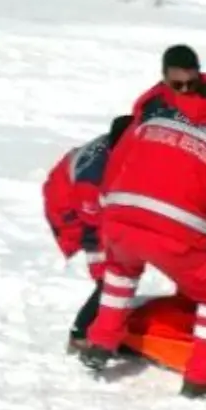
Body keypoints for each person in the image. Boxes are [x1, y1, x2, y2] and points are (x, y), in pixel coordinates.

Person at [78, 76, 206, 401]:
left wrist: (111, 206)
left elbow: (117, 160)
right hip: (177, 228)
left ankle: (100, 342)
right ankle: (200, 379)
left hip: (120, 213)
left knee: (121, 271)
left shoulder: (154, 117)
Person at [42, 115, 133, 353]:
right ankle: (81, 334)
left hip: (81, 199)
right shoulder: (93, 178)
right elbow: (92, 228)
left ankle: (105, 323)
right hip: (71, 212)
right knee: (110, 278)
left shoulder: (118, 147)